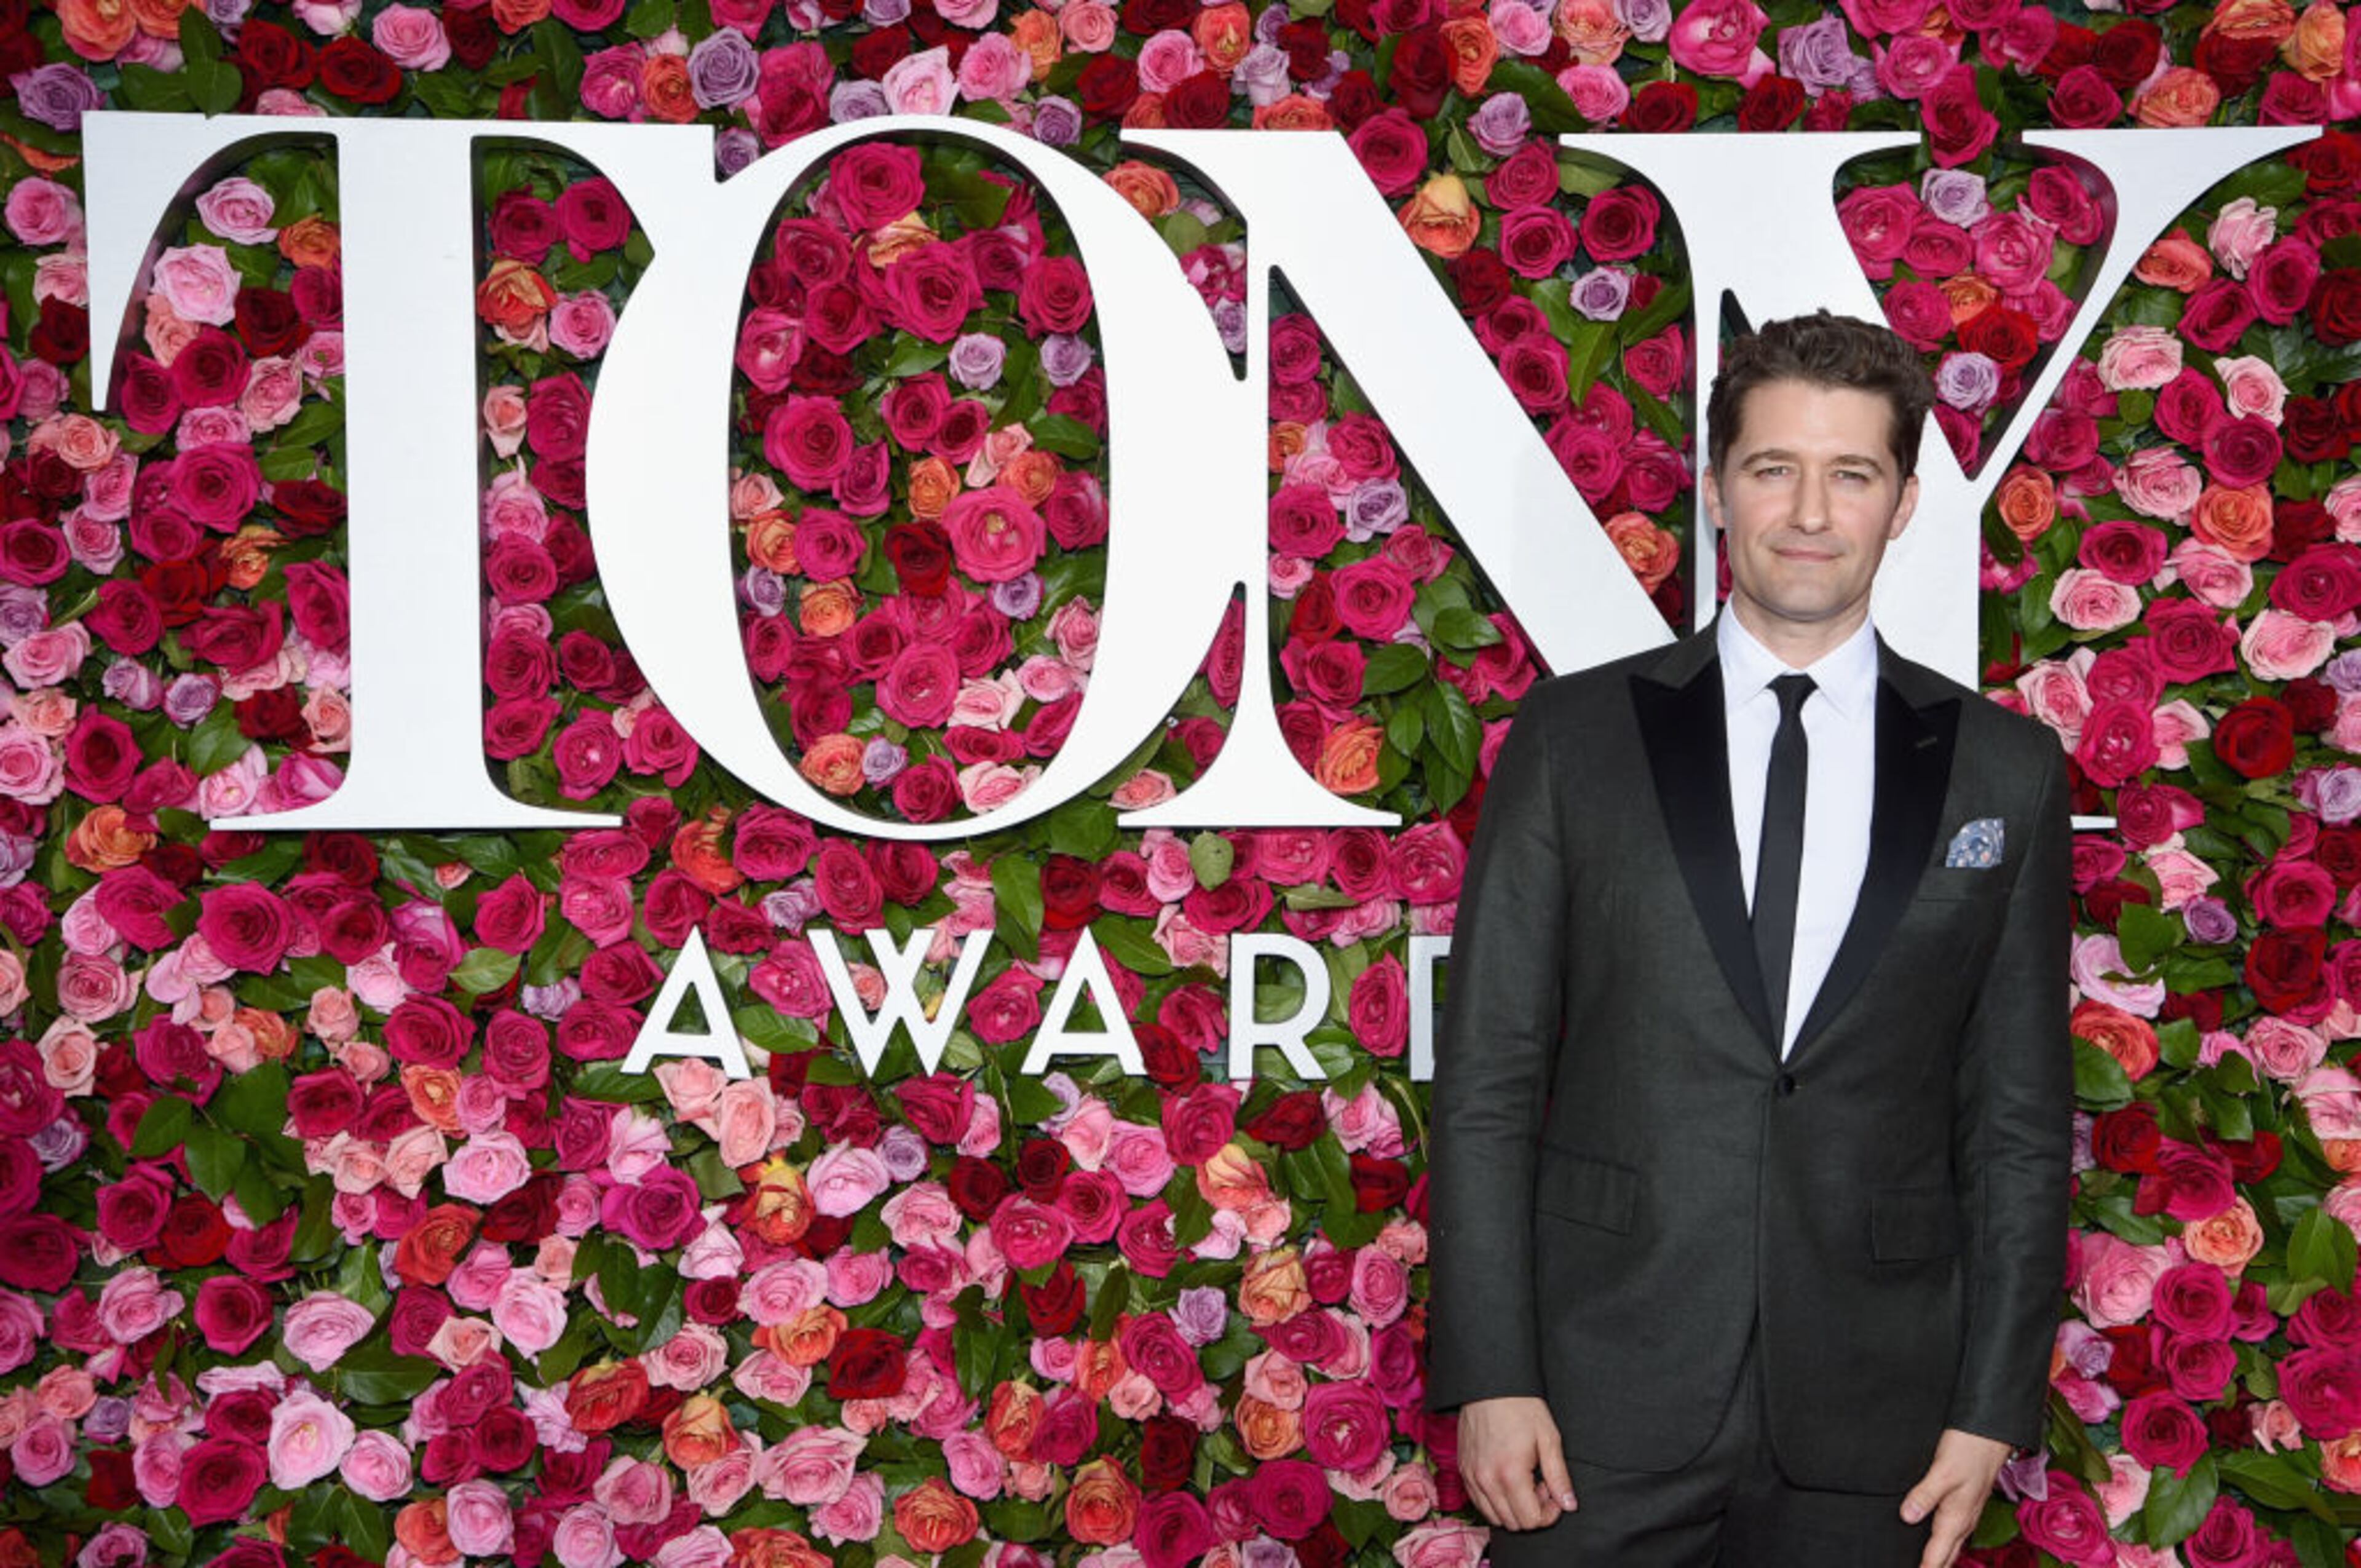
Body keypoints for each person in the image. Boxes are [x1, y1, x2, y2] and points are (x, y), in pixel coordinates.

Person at [1423, 310, 2072, 1568]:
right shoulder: (1573, 739)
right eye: (1774, 469)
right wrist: (1489, 1374)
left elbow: (2018, 1126)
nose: (1810, 513)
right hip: (1593, 1402)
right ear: (1717, 490)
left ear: (1906, 502)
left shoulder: (2005, 772)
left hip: (1876, 1419)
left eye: (1853, 475)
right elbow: (1493, 1079)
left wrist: (1992, 1412)